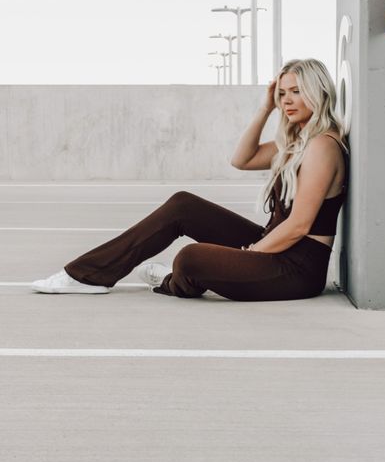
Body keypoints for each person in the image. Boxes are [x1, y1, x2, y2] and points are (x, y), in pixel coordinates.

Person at [31, 58, 350, 302]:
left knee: (190, 258)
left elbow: (299, 226)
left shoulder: (322, 145)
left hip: (295, 267)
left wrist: (250, 254)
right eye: (282, 93)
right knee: (183, 205)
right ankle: (89, 275)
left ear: (318, 92)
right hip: (274, 245)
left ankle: (176, 280)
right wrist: (266, 108)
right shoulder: (297, 143)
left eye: (296, 91)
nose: (287, 100)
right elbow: (242, 159)